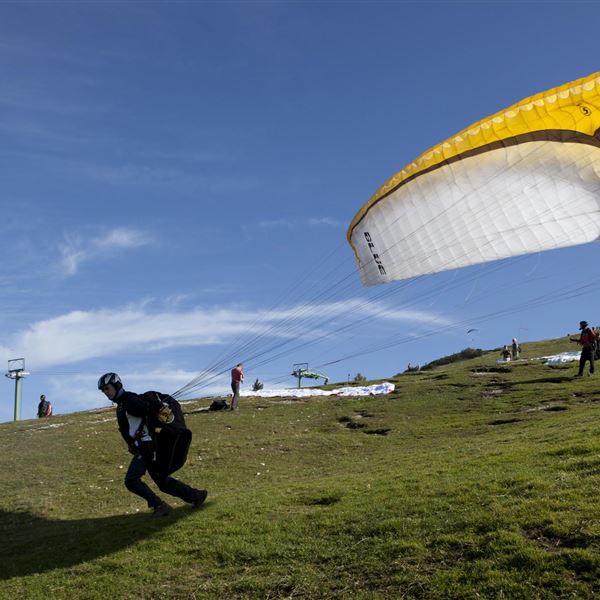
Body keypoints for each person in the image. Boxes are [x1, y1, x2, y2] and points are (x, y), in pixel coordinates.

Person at [98, 372, 207, 517]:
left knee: (131, 480)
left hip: (147, 448)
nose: (106, 392)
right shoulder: (122, 405)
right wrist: (131, 444)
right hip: (143, 447)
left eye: (107, 388)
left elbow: (150, 413)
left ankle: (159, 505)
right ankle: (195, 495)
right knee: (162, 481)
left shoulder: (130, 401)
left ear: (116, 385)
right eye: (103, 390)